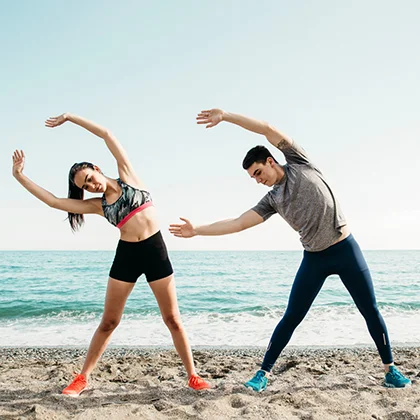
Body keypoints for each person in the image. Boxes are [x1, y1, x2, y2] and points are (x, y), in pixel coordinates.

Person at [169, 108, 411, 391]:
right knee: (292, 317)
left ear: (271, 161)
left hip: (346, 249)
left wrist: (225, 116)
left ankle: (390, 370)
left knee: (369, 309)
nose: (258, 179)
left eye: (258, 172)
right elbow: (237, 223)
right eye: (253, 178)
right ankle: (263, 373)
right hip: (314, 259)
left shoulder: (299, 162)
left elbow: (267, 128)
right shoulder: (272, 200)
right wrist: (197, 230)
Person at [12, 113, 210, 396]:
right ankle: (82, 377)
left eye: (90, 178)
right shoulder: (97, 206)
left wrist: (70, 118)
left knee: (173, 319)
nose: (92, 186)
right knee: (109, 321)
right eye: (86, 186)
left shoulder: (127, 174)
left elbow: (107, 134)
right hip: (127, 255)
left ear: (96, 168)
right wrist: (20, 176)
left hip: (155, 250)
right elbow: (54, 201)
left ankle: (193, 375)